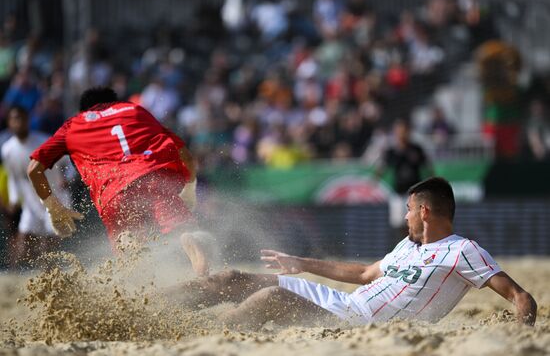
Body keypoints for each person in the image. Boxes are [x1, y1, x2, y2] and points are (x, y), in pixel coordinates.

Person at [166, 177, 537, 329]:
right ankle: (150, 308)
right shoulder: (410, 244)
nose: (404, 215)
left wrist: (522, 333)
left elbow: (521, 297)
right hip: (343, 303)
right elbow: (363, 274)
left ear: (424, 211)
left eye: (408, 208)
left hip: (358, 323)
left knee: (271, 297)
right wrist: (301, 264)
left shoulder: (463, 251)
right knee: (234, 279)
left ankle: (203, 335)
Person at [27, 87, 209, 275]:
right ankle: (187, 242)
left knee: (127, 243)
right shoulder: (135, 110)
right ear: (115, 102)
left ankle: (132, 253)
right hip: (151, 178)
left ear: (85, 110)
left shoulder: (74, 124)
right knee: (183, 229)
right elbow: (185, 154)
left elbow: (33, 169)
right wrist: (190, 186)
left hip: (112, 192)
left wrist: (53, 207)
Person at [1, 106, 71, 268]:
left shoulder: (43, 142)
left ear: (27, 120)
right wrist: (13, 198)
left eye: (21, 118)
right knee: (23, 240)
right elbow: (14, 177)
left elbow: (69, 163)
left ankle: (51, 278)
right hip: (31, 202)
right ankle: (13, 281)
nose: (18, 122)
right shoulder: (7, 149)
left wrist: (66, 178)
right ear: (9, 123)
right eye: (14, 119)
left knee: (48, 243)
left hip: (54, 200)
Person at [376, 119, 433, 247]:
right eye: (399, 131)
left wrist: (431, 184)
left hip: (415, 194)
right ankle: (405, 247)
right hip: (399, 193)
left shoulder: (416, 149)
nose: (401, 134)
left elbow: (427, 167)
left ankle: (419, 246)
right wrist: (376, 178)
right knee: (398, 223)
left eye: (404, 131)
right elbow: (382, 167)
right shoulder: (392, 151)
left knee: (418, 222)